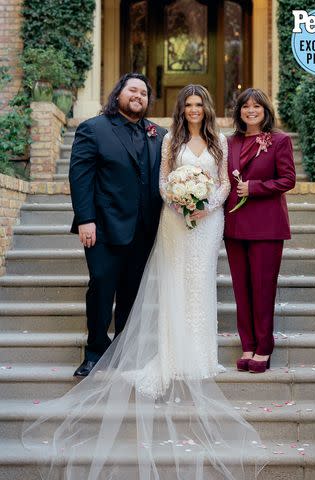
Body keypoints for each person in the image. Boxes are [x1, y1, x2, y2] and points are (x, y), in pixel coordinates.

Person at [22, 85, 266, 479]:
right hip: (174, 220)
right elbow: (163, 181)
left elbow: (223, 181)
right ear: (179, 108)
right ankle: (159, 351)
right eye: (186, 104)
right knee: (171, 283)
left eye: (198, 103)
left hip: (208, 223)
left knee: (200, 282)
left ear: (206, 106)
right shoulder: (168, 137)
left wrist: (206, 205)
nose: (193, 110)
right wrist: (182, 202)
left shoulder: (218, 139)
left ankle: (201, 353)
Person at [69, 73, 167, 377]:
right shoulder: (93, 129)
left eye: (144, 93)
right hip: (103, 227)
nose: (138, 96)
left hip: (144, 229)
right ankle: (95, 351)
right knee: (101, 286)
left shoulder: (159, 134)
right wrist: (86, 219)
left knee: (131, 293)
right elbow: (80, 177)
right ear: (119, 94)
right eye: (132, 90)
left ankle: (125, 350)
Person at [224, 88, 296, 374]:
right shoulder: (229, 142)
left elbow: (288, 179)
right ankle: (248, 345)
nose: (250, 110)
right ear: (239, 111)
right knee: (241, 290)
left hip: (267, 226)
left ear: (266, 110)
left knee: (263, 290)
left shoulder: (279, 140)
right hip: (235, 227)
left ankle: (264, 347)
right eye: (245, 106)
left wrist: (254, 188)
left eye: (256, 106)